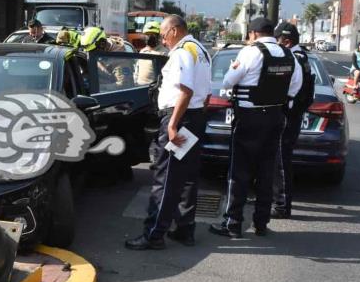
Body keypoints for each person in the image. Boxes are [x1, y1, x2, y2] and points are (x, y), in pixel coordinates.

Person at [210, 16, 302, 239]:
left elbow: (227, 82)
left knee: (239, 172)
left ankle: (232, 224)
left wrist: (233, 69)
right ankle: (261, 223)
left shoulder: (250, 52)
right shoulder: (290, 54)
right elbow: (296, 86)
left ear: (253, 34)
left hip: (249, 118)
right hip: (275, 117)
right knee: (266, 171)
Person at [125, 15, 211, 250]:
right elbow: (206, 93)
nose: (162, 39)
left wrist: (173, 125)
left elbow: (186, 90)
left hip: (179, 119)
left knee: (166, 178)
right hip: (193, 118)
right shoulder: (200, 50)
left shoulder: (183, 51)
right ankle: (184, 229)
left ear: (174, 30)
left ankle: (154, 234)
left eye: (163, 34)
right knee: (187, 178)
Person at [271, 22, 315, 219]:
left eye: (278, 40)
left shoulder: (294, 59)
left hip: (288, 115)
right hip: (294, 114)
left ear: (286, 42)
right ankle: (278, 199)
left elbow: (288, 89)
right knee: (281, 158)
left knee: (281, 160)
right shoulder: (302, 57)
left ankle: (281, 205)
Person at [135, 21, 168, 85]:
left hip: (155, 90)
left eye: (152, 35)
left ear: (158, 36)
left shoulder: (165, 53)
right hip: (139, 89)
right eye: (147, 34)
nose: (149, 37)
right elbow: (137, 71)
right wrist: (135, 83)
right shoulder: (142, 52)